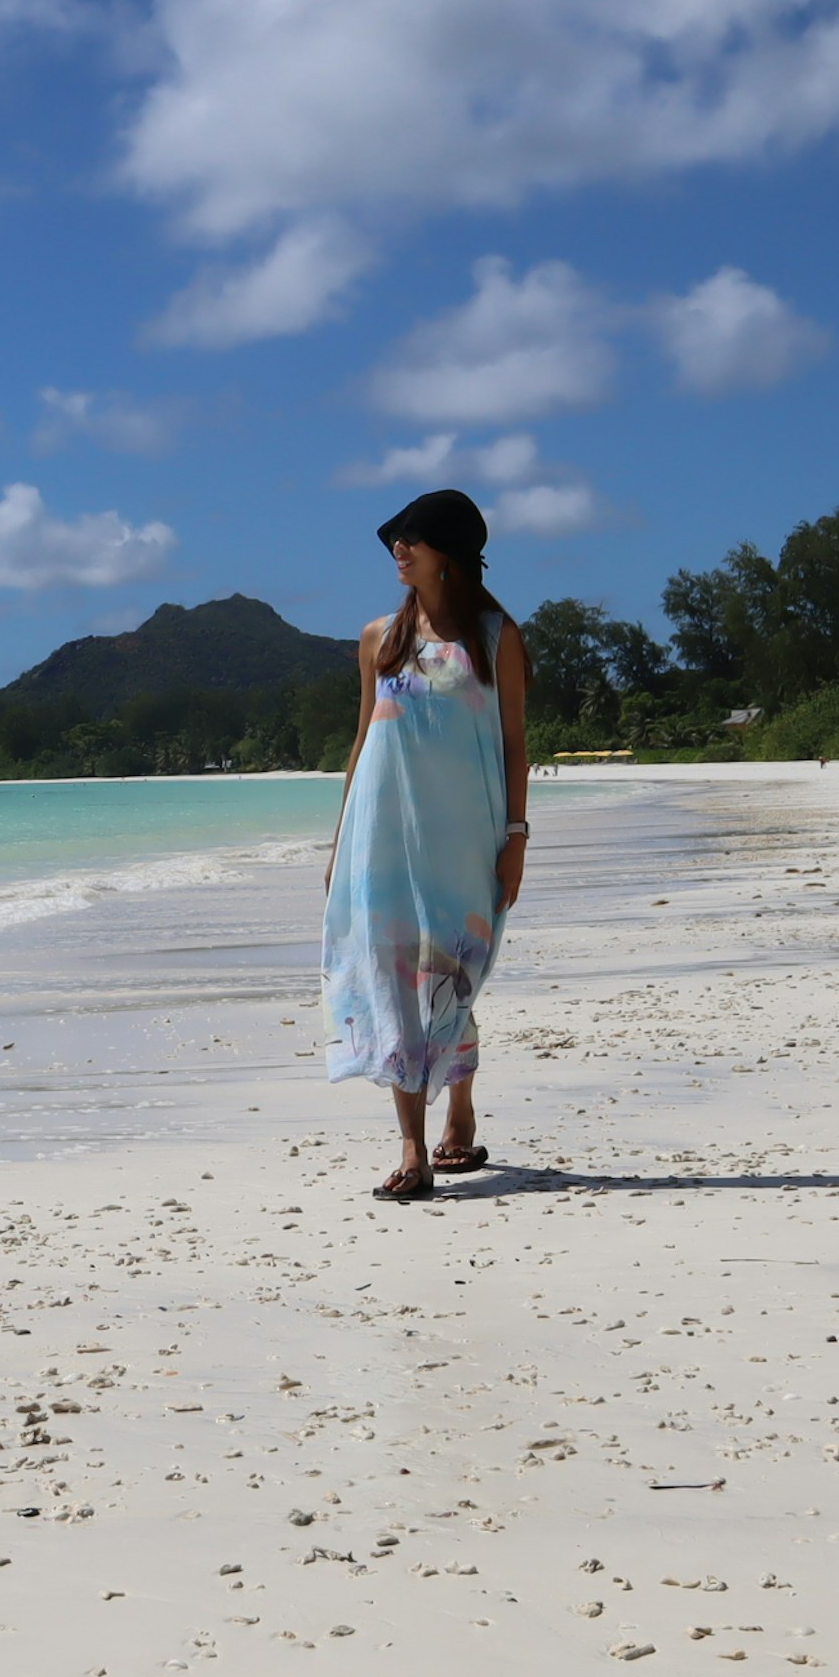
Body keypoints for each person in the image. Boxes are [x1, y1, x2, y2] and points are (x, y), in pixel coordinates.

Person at [321, 488, 531, 1200]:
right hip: (381, 842)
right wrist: (338, 841)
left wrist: (517, 839)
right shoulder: (380, 637)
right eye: (394, 540)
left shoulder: (496, 637)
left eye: (412, 538)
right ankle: (412, 1148)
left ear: (449, 551)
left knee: (449, 975)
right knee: (392, 979)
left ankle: (460, 1105)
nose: (397, 550)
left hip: (463, 840)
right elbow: (362, 743)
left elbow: (513, 747)